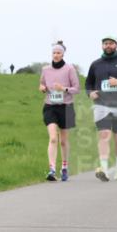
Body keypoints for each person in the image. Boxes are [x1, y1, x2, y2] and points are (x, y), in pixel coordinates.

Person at [86, 36, 117, 182]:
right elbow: (88, 83)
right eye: (105, 43)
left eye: (111, 43)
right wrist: (90, 93)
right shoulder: (95, 64)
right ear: (102, 46)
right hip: (101, 105)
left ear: (116, 45)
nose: (108, 46)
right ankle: (104, 169)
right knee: (104, 135)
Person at [39, 42, 79, 181]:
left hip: (66, 106)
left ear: (63, 54)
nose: (56, 55)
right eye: (54, 53)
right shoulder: (45, 69)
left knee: (63, 141)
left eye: (58, 53)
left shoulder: (70, 69)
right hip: (50, 106)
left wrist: (64, 89)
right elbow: (42, 83)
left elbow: (76, 89)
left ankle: (64, 167)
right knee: (53, 138)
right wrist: (42, 88)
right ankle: (51, 170)